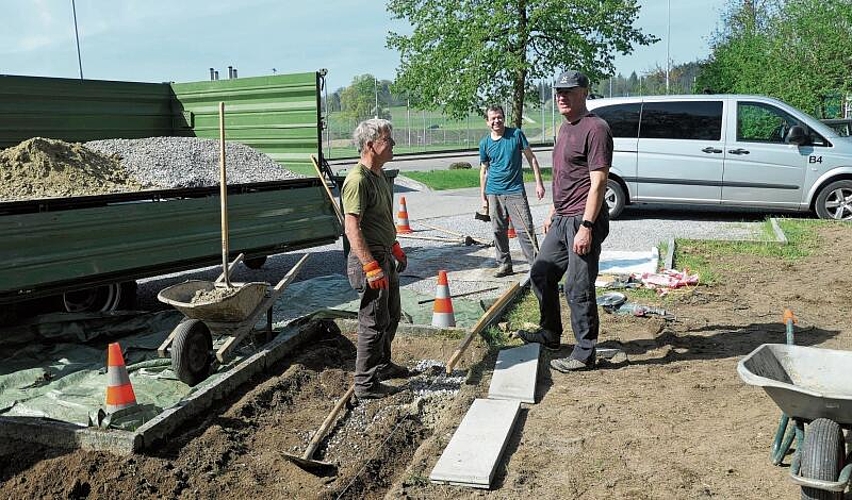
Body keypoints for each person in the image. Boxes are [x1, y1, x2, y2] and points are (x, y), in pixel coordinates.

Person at [514, 70, 613, 372]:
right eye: (558, 91)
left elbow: (598, 183)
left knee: (577, 286)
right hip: (562, 218)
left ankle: (585, 353)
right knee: (541, 273)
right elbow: (563, 177)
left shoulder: (595, 129)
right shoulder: (563, 129)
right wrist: (553, 212)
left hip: (584, 220)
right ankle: (551, 333)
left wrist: (585, 227)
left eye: (568, 91)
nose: (561, 96)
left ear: (584, 92)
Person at [341, 118, 412, 399]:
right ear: (371, 145)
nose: (393, 143)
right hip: (367, 262)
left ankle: (382, 365)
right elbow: (351, 227)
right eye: (387, 139)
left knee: (392, 315)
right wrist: (370, 266)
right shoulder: (357, 180)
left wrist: (394, 246)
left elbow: (380, 218)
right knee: (372, 322)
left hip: (384, 257)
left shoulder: (380, 175)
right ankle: (365, 384)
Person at [478, 105, 545, 277]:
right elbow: (484, 171)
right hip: (494, 192)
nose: (496, 121)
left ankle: (536, 266)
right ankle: (504, 264)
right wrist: (483, 198)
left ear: (503, 118)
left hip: (515, 191)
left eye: (499, 117)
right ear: (487, 122)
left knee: (525, 229)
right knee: (498, 230)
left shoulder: (516, 134)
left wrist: (539, 183)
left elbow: (532, 158)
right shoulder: (484, 144)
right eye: (492, 118)